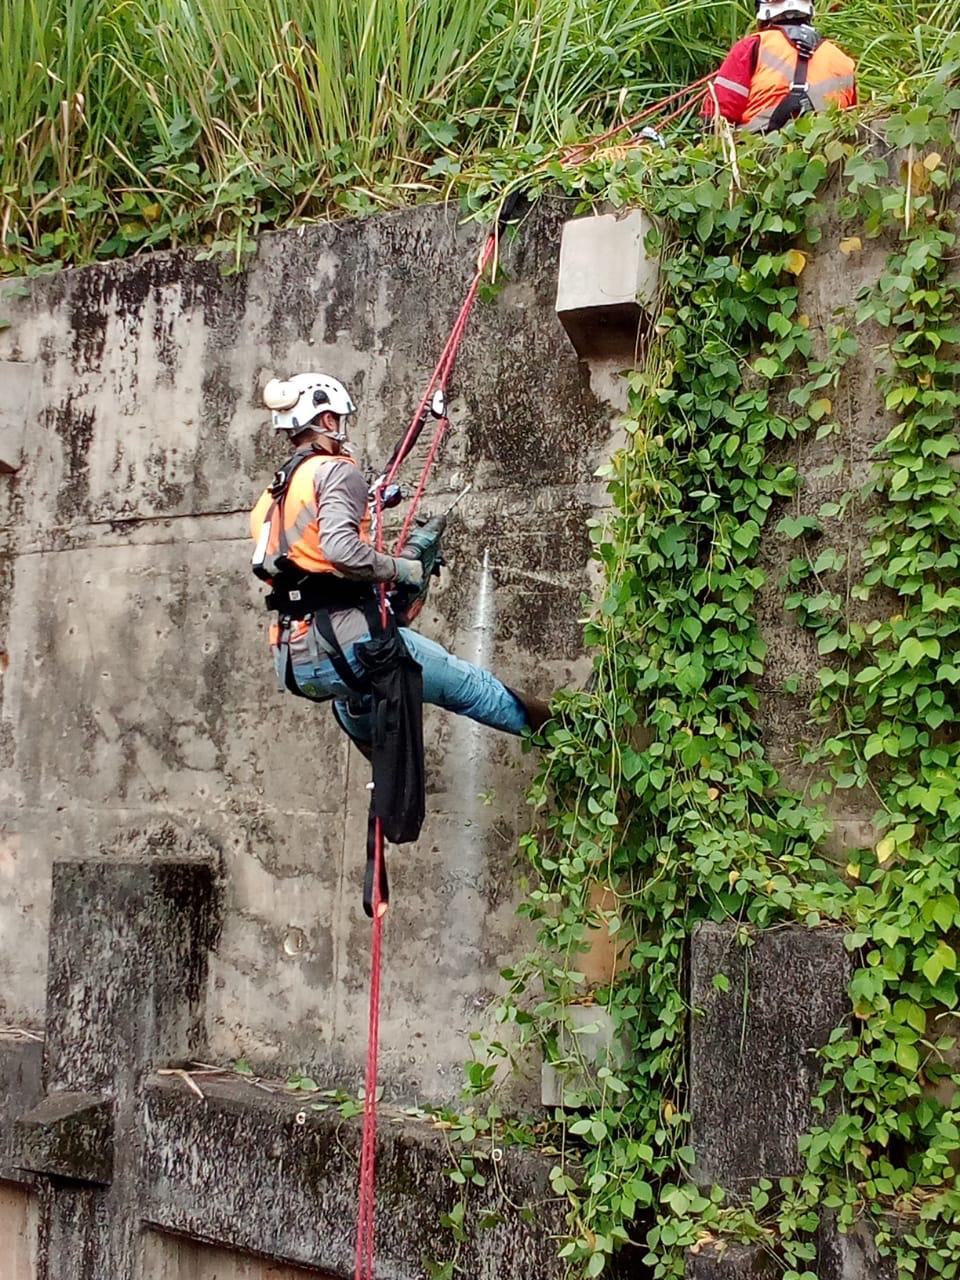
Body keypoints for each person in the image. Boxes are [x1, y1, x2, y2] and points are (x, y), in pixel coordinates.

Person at [249, 372, 551, 756]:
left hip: (297, 661)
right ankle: (567, 733)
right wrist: (400, 568)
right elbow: (341, 550)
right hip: (350, 647)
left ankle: (386, 780)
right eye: (339, 420)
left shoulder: (272, 496)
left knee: (365, 706)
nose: (342, 430)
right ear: (326, 420)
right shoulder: (335, 470)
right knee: (468, 687)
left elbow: (312, 563)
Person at [701, 0, 856, 135]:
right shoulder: (843, 61)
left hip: (756, 158)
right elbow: (852, 124)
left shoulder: (752, 47)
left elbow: (715, 118)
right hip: (827, 161)